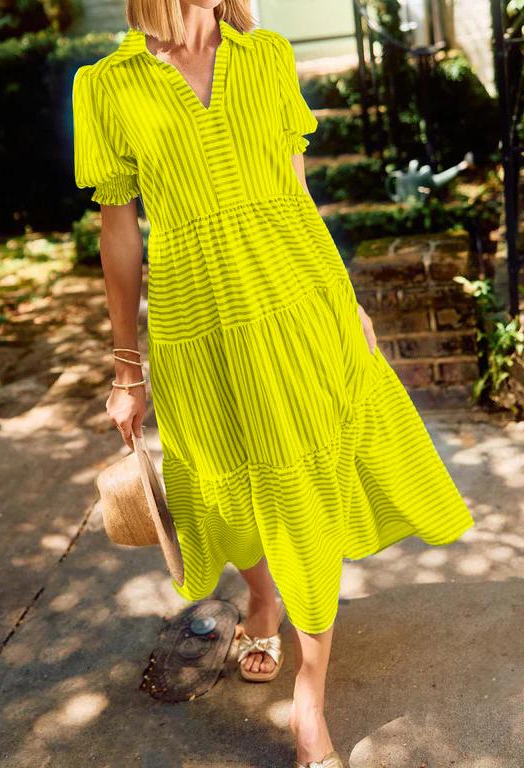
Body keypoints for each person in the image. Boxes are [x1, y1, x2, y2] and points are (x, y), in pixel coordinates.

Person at [71, 2, 476, 765]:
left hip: (297, 305)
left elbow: (297, 198)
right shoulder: (107, 84)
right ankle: (263, 594)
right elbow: (118, 231)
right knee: (223, 485)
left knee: (302, 487)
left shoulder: (267, 58)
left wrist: (347, 299)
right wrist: (126, 367)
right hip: (195, 322)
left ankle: (310, 700)